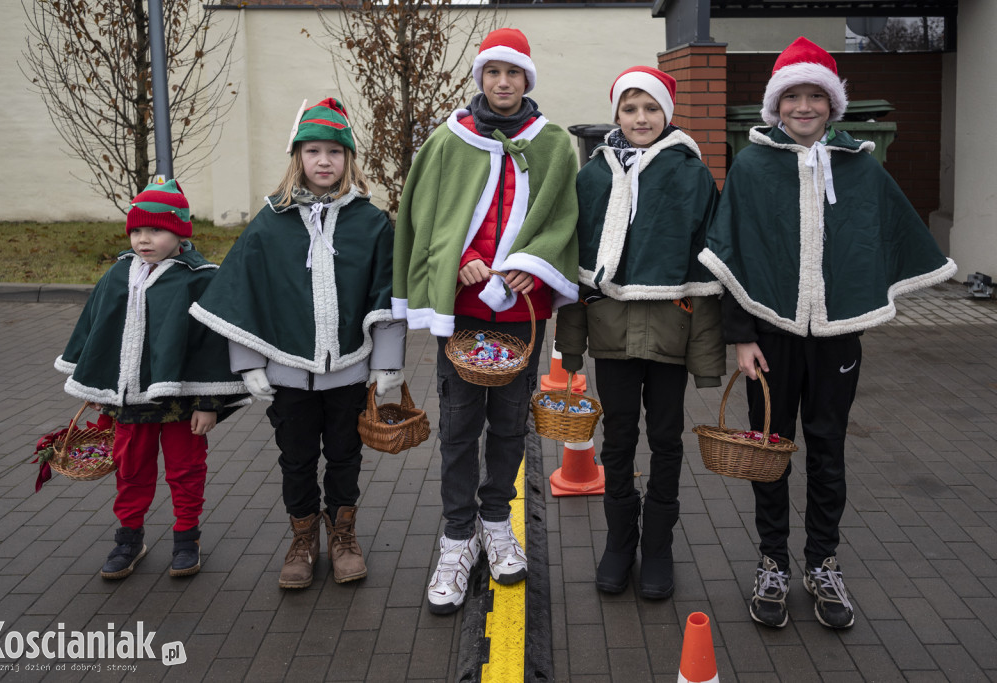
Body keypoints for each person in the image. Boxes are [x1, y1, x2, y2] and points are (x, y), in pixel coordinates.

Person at [699, 37, 956, 629]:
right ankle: (772, 562)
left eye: (817, 95)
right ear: (776, 104)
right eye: (794, 96)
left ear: (833, 103)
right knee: (768, 452)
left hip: (837, 337)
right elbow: (730, 255)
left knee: (828, 450)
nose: (805, 107)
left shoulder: (861, 166)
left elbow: (880, 234)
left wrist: (867, 301)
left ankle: (822, 561)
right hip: (769, 336)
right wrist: (742, 337)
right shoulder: (752, 165)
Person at [392, 28, 579, 614]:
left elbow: (563, 216)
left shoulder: (551, 143)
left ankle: (496, 523)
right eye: (493, 73)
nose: (503, 83)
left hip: (521, 312)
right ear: (481, 79)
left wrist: (535, 264)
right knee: (457, 426)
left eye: (514, 74)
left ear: (527, 80)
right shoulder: (449, 141)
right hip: (465, 310)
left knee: (508, 425)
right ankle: (456, 537)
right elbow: (427, 215)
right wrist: (460, 261)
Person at [190, 98, 404, 589]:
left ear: (348, 158)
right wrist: (249, 364)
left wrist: (386, 363)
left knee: (347, 456)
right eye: (313, 151)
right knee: (297, 458)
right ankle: (303, 538)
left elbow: (387, 294)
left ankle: (344, 535)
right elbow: (242, 295)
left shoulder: (370, 223)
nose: (323, 161)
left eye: (334, 151)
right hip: (287, 373)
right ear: (297, 157)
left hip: (350, 370)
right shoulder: (270, 223)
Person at [554, 66, 724, 599]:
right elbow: (580, 269)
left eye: (651, 108)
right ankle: (618, 544)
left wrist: (706, 359)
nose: (640, 118)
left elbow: (706, 274)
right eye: (630, 109)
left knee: (667, 440)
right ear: (616, 116)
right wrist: (571, 347)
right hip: (612, 334)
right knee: (619, 439)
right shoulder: (593, 178)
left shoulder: (693, 177)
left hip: (672, 335)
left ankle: (658, 548)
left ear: (667, 114)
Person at [55, 179, 248, 580]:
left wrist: (210, 404)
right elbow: (96, 329)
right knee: (130, 470)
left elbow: (214, 343)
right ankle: (129, 538)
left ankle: (186, 537)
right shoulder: (118, 275)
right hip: (129, 403)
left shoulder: (198, 278)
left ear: (180, 231)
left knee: (185, 469)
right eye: (137, 230)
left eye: (156, 230)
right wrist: (96, 386)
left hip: (181, 402)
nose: (144, 239)